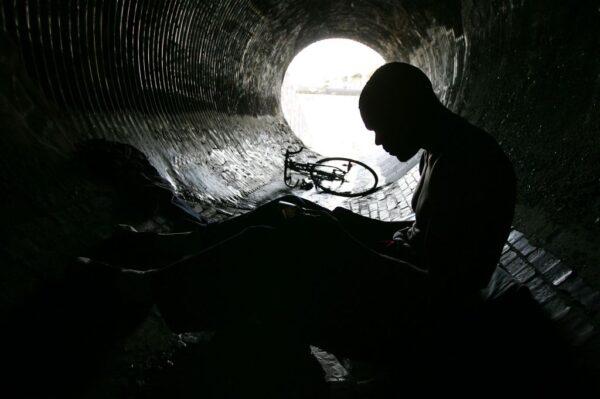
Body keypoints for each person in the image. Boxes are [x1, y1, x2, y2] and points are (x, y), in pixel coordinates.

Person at [83, 62, 516, 365]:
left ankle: (145, 289)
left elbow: (445, 288)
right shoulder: (439, 151)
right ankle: (167, 248)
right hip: (403, 275)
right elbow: (423, 232)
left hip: (421, 318)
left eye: (384, 126)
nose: (381, 141)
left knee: (289, 240)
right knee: (290, 209)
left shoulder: (473, 165)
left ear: (411, 109)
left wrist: (340, 243)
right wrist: (347, 222)